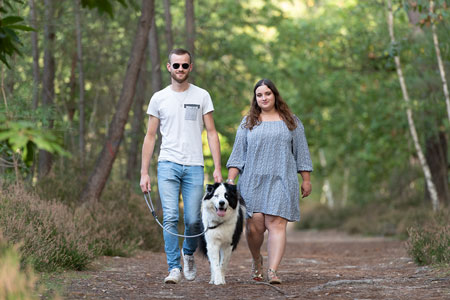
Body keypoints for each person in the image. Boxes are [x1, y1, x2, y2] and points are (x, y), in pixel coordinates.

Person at [140, 48, 223, 284]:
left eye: (184, 65)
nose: (180, 69)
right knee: (170, 217)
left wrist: (217, 168)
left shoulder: (202, 96)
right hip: (167, 164)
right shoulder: (159, 98)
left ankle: (188, 254)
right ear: (169, 67)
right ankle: (174, 267)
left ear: (190, 67)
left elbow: (212, 132)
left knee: (194, 219)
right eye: (175, 65)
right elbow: (150, 136)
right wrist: (144, 172)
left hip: (195, 165)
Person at [226, 78, 312, 284]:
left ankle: (273, 271)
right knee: (254, 226)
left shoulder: (291, 121)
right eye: (259, 95)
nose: (264, 98)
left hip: (282, 179)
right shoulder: (248, 122)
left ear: (275, 95)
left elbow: (302, 153)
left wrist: (306, 179)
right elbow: (238, 154)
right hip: (252, 180)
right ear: (255, 99)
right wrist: (230, 180)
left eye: (267, 93)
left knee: (276, 223)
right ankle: (257, 260)